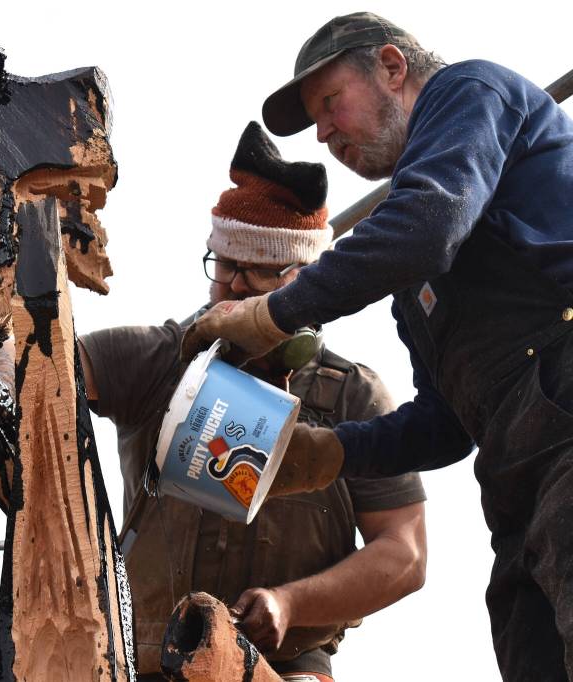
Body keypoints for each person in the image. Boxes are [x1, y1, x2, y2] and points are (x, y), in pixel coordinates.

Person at [181, 12, 573, 680]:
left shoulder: (470, 92)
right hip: (518, 489)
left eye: (330, 105)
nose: (325, 133)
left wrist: (270, 313)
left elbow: (425, 224)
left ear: (392, 67)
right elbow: (449, 421)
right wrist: (331, 452)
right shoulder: (414, 275)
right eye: (316, 122)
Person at [79, 122, 427, 681]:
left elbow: (405, 554)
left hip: (286, 669)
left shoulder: (352, 397)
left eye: (261, 270)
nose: (236, 287)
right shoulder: (156, 361)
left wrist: (292, 604)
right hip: (142, 665)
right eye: (224, 266)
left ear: (311, 279)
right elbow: (35, 374)